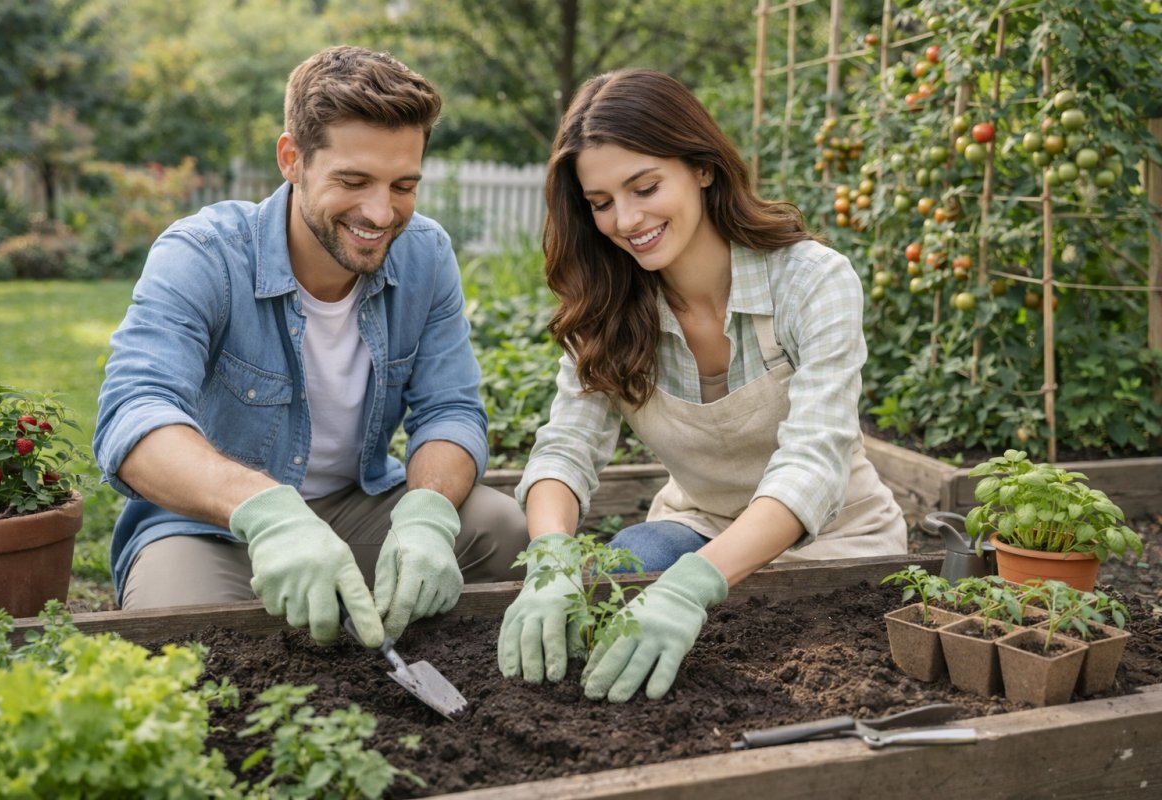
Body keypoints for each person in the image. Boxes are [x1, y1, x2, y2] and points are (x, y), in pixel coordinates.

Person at [94, 45, 528, 649]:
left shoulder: (425, 255)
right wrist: (267, 510)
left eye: (403, 185)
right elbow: (134, 414)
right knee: (185, 642)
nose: (381, 212)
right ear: (291, 159)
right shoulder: (204, 254)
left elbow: (450, 408)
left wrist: (426, 512)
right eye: (353, 181)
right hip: (211, 527)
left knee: (502, 530)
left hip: (355, 509)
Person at [498, 69, 906, 702]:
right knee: (622, 578)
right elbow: (566, 449)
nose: (626, 220)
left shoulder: (810, 281)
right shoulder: (607, 305)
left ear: (704, 168)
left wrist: (691, 587)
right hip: (697, 527)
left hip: (838, 540)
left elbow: (813, 464)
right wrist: (550, 561)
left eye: (645, 187)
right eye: (601, 203)